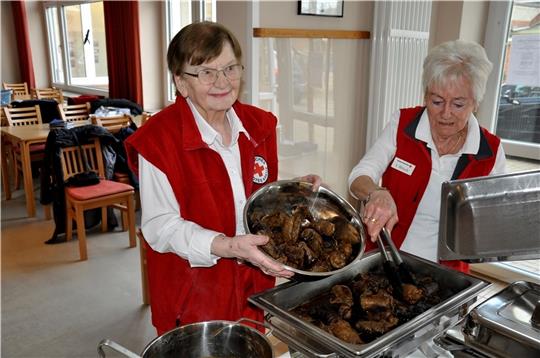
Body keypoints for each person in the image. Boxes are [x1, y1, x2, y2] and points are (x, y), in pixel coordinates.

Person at [125, 21, 321, 335]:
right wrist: (227, 246)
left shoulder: (259, 125)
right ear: (181, 82)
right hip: (194, 291)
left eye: (230, 68)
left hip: (255, 281)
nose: (222, 81)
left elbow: (255, 192)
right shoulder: (158, 140)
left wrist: (292, 189)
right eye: (206, 72)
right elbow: (160, 226)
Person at [348, 40, 506, 273]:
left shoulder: (489, 151)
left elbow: (495, 220)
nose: (445, 113)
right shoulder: (403, 124)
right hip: (386, 262)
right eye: (437, 101)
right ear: (425, 95)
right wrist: (377, 193)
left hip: (446, 275)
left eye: (458, 104)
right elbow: (358, 176)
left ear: (475, 103)